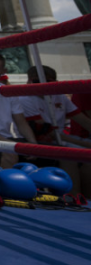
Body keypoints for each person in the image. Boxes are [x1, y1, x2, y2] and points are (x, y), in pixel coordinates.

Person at [21, 65, 91, 194]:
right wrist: (86, 145)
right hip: (39, 140)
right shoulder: (25, 99)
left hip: (62, 139)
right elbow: (48, 133)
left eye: (47, 81)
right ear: (29, 81)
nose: (41, 85)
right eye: (36, 81)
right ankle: (74, 198)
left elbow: (84, 121)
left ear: (55, 82)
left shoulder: (60, 96)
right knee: (74, 157)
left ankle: (85, 198)